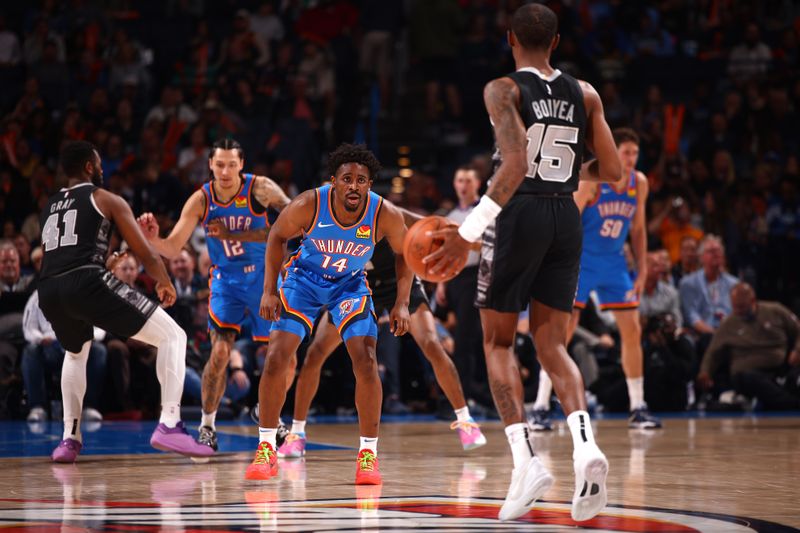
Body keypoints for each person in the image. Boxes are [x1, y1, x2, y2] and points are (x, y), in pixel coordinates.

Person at [424, 4, 620, 521]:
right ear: (555, 43)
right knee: (553, 342)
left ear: (510, 39)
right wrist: (567, 163)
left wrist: (468, 233)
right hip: (565, 214)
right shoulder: (587, 93)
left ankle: (525, 459)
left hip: (520, 212)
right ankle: (585, 447)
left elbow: (513, 163)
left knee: (498, 341)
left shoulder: (503, 89)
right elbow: (615, 169)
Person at [247, 143, 411, 485]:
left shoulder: (384, 213)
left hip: (348, 285)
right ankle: (266, 448)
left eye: (361, 180)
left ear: (370, 184)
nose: (354, 186)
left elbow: (404, 252)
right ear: (333, 181)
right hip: (303, 282)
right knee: (278, 355)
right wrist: (269, 290)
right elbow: (277, 236)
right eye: (347, 179)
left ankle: (368, 455)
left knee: (366, 358)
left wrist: (402, 302)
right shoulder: (310, 203)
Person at [37, 140, 212, 462]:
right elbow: (143, 249)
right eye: (100, 163)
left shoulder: (50, 204)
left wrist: (104, 265)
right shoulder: (104, 197)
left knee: (75, 353)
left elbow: (63, 256)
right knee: (174, 336)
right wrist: (163, 279)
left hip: (48, 288)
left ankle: (68, 439)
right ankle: (170, 423)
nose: (104, 169)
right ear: (90, 166)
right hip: (85, 281)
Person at [276, 215, 486, 460]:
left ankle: (465, 421)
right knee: (315, 353)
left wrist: (471, 240)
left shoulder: (383, 211)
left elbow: (431, 225)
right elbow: (286, 236)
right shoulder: (323, 218)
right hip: (354, 286)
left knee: (431, 344)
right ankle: (297, 433)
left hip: (398, 281)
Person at [137, 138, 290, 454]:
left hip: (264, 278)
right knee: (219, 354)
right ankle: (207, 425)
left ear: (241, 164)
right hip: (226, 282)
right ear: (210, 165)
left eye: (231, 164)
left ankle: (267, 413)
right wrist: (153, 239)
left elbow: (291, 223)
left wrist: (237, 235)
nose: (225, 170)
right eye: (219, 164)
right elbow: (173, 246)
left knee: (282, 354)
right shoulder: (201, 199)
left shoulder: (260, 189)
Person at [561, 128, 658, 429]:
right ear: (612, 150)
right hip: (583, 260)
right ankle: (540, 406)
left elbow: (639, 230)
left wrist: (641, 270)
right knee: (562, 331)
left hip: (615, 263)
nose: (631, 159)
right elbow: (568, 222)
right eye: (626, 152)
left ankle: (638, 406)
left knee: (632, 331)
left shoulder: (638, 183)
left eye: (635, 153)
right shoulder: (592, 180)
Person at [697, 282, 800, 410]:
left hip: (781, 368)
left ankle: (771, 400)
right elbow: (713, 352)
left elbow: (798, 329)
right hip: (747, 374)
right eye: (735, 307)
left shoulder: (775, 311)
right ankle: (791, 404)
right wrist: (705, 372)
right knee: (751, 379)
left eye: (742, 307)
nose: (738, 311)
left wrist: (797, 350)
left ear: (753, 300)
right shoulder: (728, 324)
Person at [436, 165, 488, 411]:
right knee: (459, 338)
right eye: (459, 180)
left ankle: (465, 398)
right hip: (454, 277)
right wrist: (441, 283)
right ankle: (461, 394)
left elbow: (491, 247)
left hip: (477, 276)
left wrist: (467, 243)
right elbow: (444, 252)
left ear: (477, 183)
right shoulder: (452, 214)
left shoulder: (485, 211)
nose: (463, 185)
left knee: (468, 339)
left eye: (468, 180)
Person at [678, 234, 738, 354]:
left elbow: (736, 312)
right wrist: (713, 333)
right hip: (701, 335)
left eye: (718, 251)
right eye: (711, 251)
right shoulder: (688, 283)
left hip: (729, 331)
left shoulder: (734, 283)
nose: (716, 254)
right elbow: (692, 317)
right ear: (701, 257)